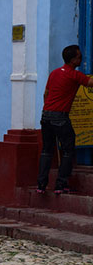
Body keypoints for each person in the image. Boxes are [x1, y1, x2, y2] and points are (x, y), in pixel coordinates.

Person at [36, 45, 93, 194]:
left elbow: (45, 94)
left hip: (46, 115)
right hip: (60, 116)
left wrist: (49, 109)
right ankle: (60, 185)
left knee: (46, 151)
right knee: (68, 150)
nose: (81, 59)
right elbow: (90, 83)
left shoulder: (54, 73)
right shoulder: (74, 75)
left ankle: (41, 185)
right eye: (79, 57)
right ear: (73, 60)